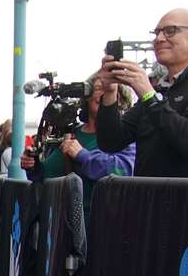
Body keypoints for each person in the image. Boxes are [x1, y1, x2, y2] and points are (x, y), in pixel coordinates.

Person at [96, 9, 188, 178]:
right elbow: (111, 141)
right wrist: (110, 92)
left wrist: (148, 95)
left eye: (170, 31)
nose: (159, 39)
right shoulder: (160, 90)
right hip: (145, 197)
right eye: (157, 33)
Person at [19, 74, 136, 211]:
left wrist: (82, 155)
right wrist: (33, 166)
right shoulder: (68, 132)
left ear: (119, 98)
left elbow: (123, 170)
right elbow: (47, 177)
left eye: (109, 88)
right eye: (98, 87)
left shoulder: (123, 134)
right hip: (55, 222)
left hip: (96, 223)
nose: (103, 92)